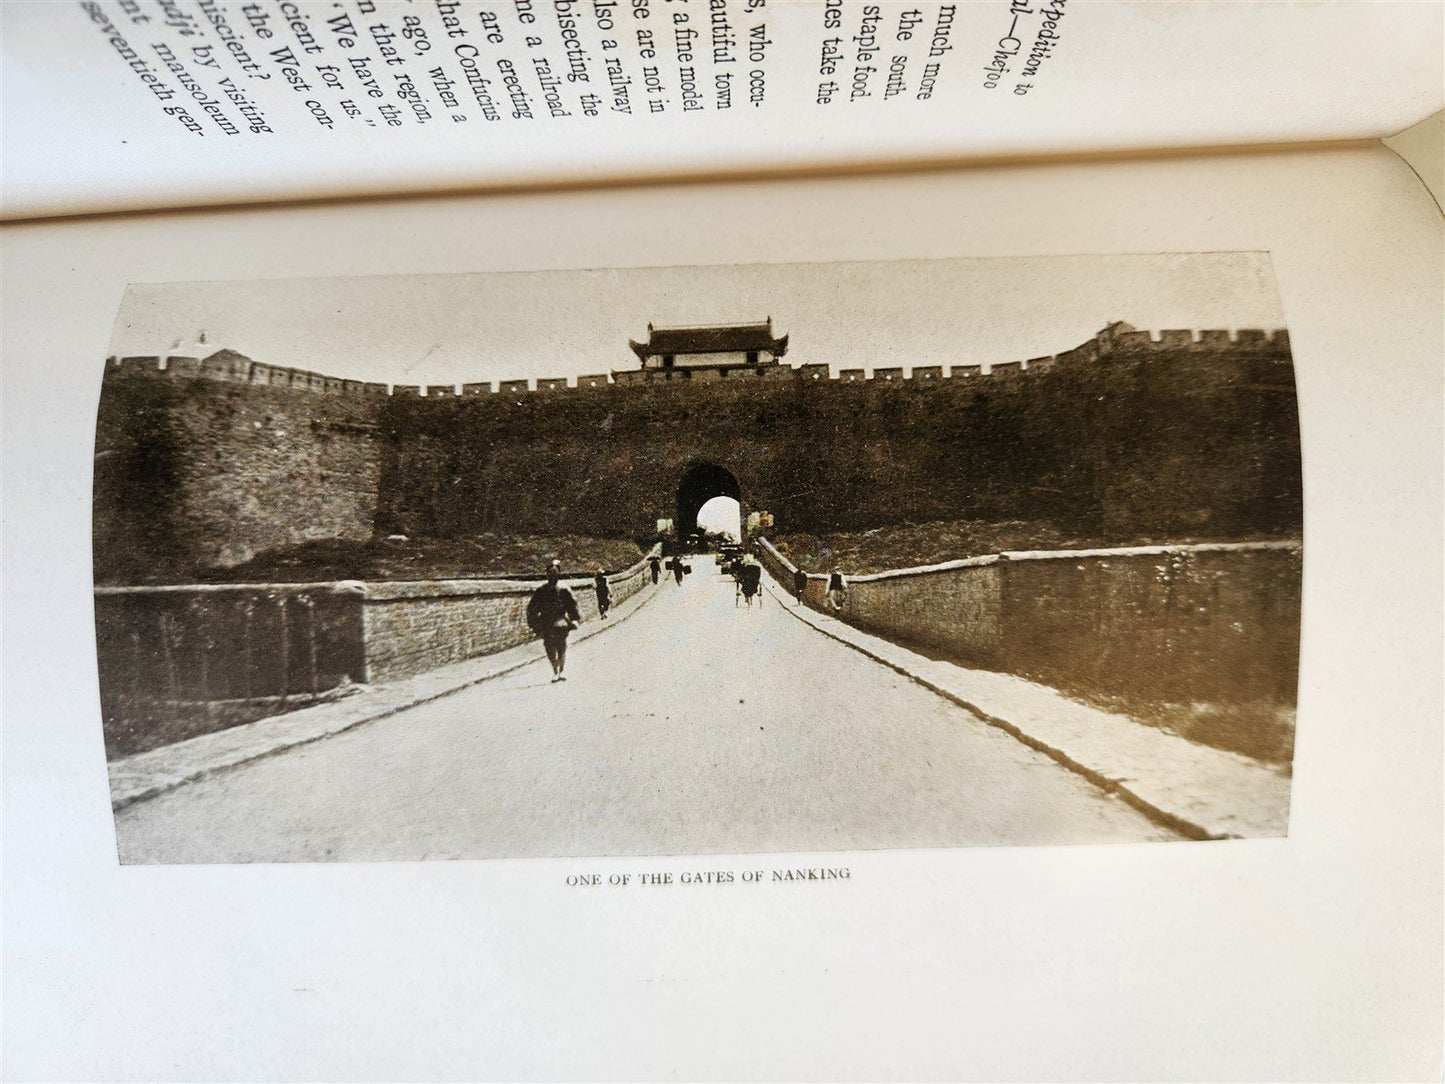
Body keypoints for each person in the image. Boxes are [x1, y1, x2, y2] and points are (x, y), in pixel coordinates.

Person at [527, 560, 581, 682]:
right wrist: (534, 624)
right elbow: (532, 608)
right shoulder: (541, 591)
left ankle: (561, 671)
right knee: (550, 648)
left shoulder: (563, 590)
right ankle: (555, 671)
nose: (552, 576)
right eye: (550, 573)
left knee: (561, 647)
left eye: (554, 574)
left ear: (559, 575)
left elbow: (572, 605)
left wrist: (574, 619)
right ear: (547, 575)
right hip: (546, 623)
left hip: (560, 622)